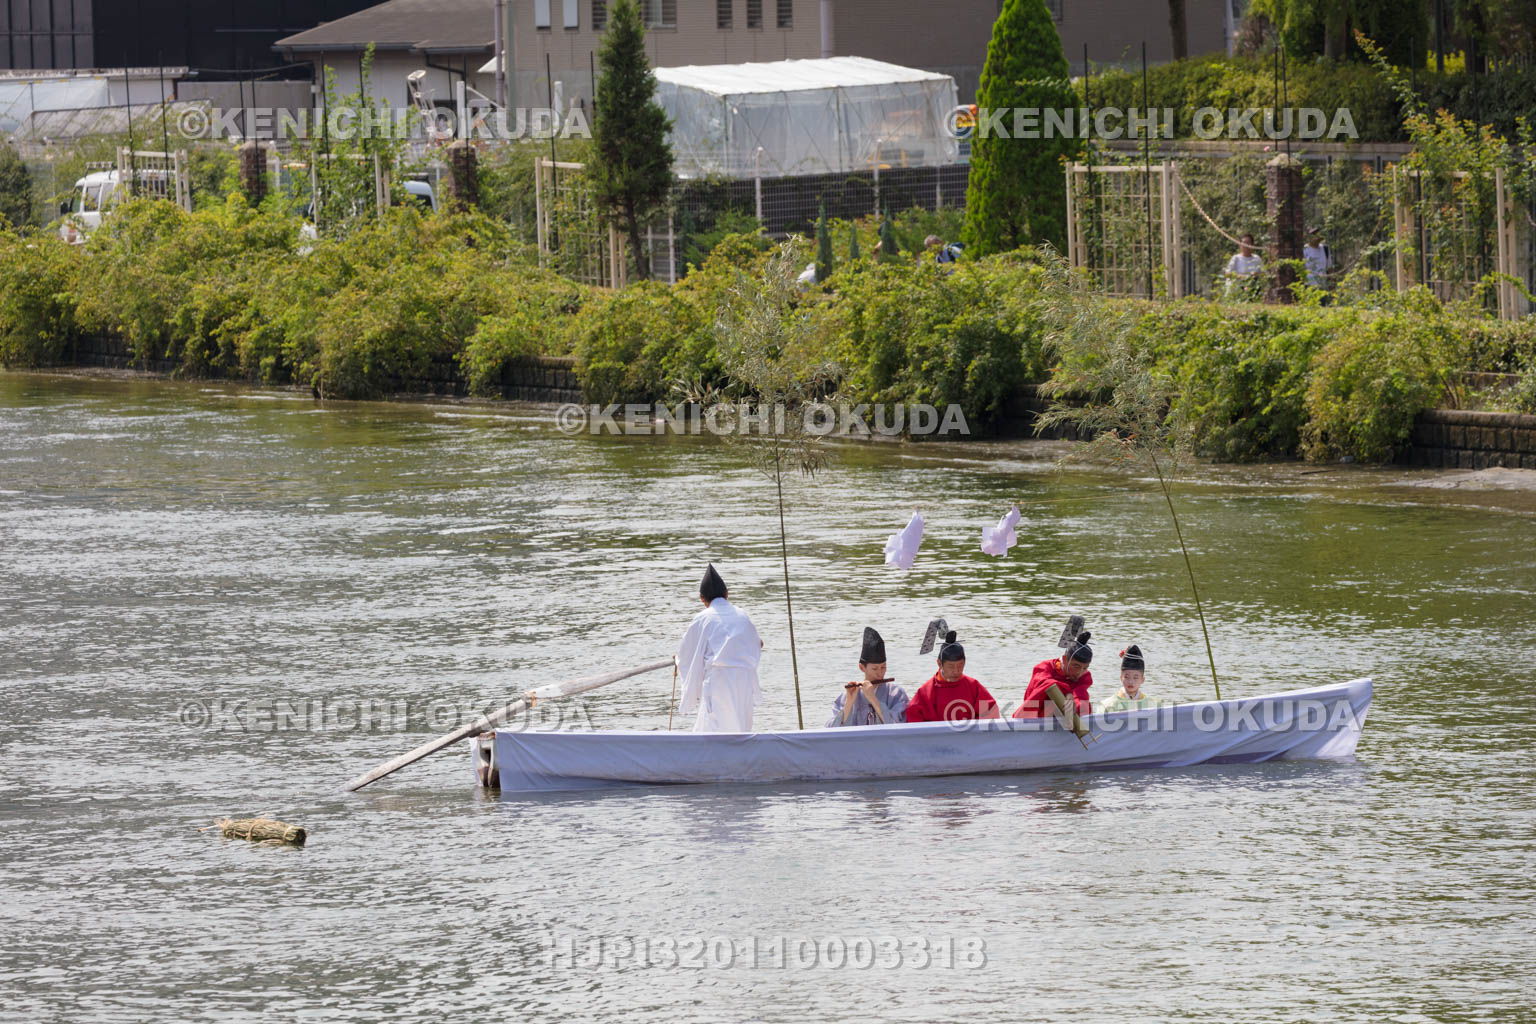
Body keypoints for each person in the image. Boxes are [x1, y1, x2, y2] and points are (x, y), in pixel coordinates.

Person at [676, 564, 763, 732]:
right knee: (741, 730)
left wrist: (677, 657)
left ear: (702, 598)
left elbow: (686, 654)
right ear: (727, 593)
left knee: (712, 732)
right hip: (743, 681)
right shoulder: (742, 615)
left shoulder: (702, 618)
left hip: (718, 681)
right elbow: (755, 644)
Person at [905, 630, 1001, 723]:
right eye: (951, 666)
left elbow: (991, 713)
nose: (956, 671)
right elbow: (913, 718)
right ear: (939, 663)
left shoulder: (973, 687)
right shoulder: (926, 692)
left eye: (960, 665)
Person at [826, 627, 909, 727]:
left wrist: (874, 700)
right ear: (862, 667)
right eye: (875, 669)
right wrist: (849, 703)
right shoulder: (847, 695)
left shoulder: (896, 694)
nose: (880, 673)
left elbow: (899, 729)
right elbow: (830, 731)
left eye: (883, 667)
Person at [1013, 630, 1095, 719]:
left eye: (1085, 668)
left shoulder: (1084, 676)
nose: (1080, 672)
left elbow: (1080, 697)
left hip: (1064, 718)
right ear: (1064, 660)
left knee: (1084, 706)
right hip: (1036, 717)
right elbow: (1045, 684)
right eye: (1076, 666)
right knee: (1050, 695)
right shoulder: (1044, 668)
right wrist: (1067, 693)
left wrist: (1075, 707)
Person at [1097, 645, 1162, 713]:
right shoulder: (1107, 705)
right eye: (1126, 677)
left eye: (1135, 677)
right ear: (1121, 677)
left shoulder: (1154, 705)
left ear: (1142, 679)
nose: (1131, 682)